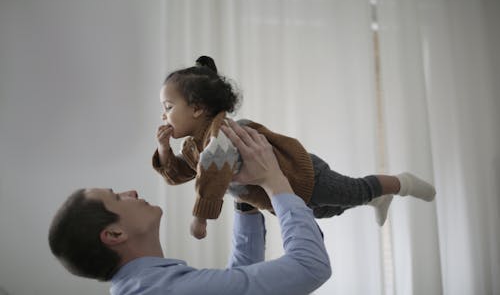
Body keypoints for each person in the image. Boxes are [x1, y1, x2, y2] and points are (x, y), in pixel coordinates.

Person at [154, 56, 437, 239]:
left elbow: (213, 173)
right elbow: (179, 174)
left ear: (197, 108)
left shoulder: (222, 132)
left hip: (305, 175)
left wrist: (200, 218)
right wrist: (165, 150)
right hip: (284, 197)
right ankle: (377, 199)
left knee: (353, 191)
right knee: (329, 211)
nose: (164, 115)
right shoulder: (194, 147)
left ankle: (402, 183)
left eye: (168, 107)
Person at [48, 121, 332, 295]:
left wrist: (244, 196)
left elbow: (241, 280)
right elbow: (310, 267)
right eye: (117, 197)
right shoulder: (168, 290)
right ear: (114, 234)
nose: (131, 192)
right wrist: (274, 180)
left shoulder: (149, 286)